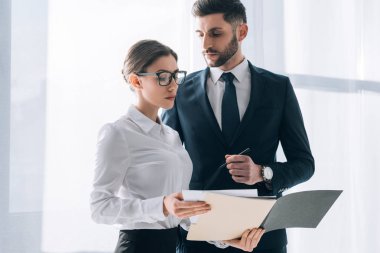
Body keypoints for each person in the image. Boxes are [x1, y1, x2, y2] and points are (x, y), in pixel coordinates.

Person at [162, 1, 315, 253]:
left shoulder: (278, 89)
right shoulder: (180, 91)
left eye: (215, 33)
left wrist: (262, 173)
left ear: (241, 32)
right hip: (198, 239)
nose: (205, 45)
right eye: (200, 34)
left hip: (262, 239)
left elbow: (304, 165)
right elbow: (165, 163)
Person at [90, 39, 263, 253]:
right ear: (136, 81)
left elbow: (182, 212)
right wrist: (162, 205)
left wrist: (226, 238)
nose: (173, 85)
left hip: (171, 245)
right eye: (162, 77)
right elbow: (99, 208)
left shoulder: (171, 136)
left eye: (175, 75)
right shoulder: (118, 133)